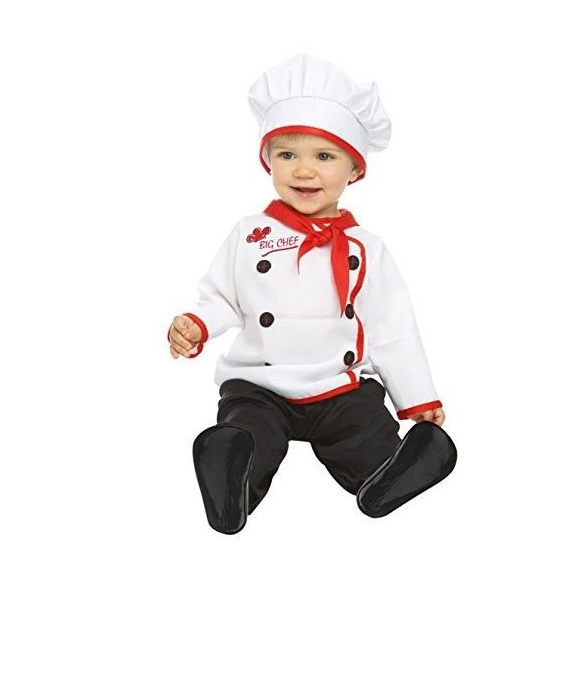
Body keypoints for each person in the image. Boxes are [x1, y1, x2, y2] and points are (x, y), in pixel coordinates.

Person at [167, 53, 457, 534]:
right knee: (250, 431)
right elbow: (223, 297)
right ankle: (229, 477)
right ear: (268, 161)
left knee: (364, 431)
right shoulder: (251, 233)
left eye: (324, 157)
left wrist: (416, 397)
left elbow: (392, 327)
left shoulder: (366, 247)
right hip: (261, 383)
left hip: (336, 383)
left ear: (355, 169)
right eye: (287, 155)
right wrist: (196, 325)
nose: (303, 170)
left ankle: (391, 475)